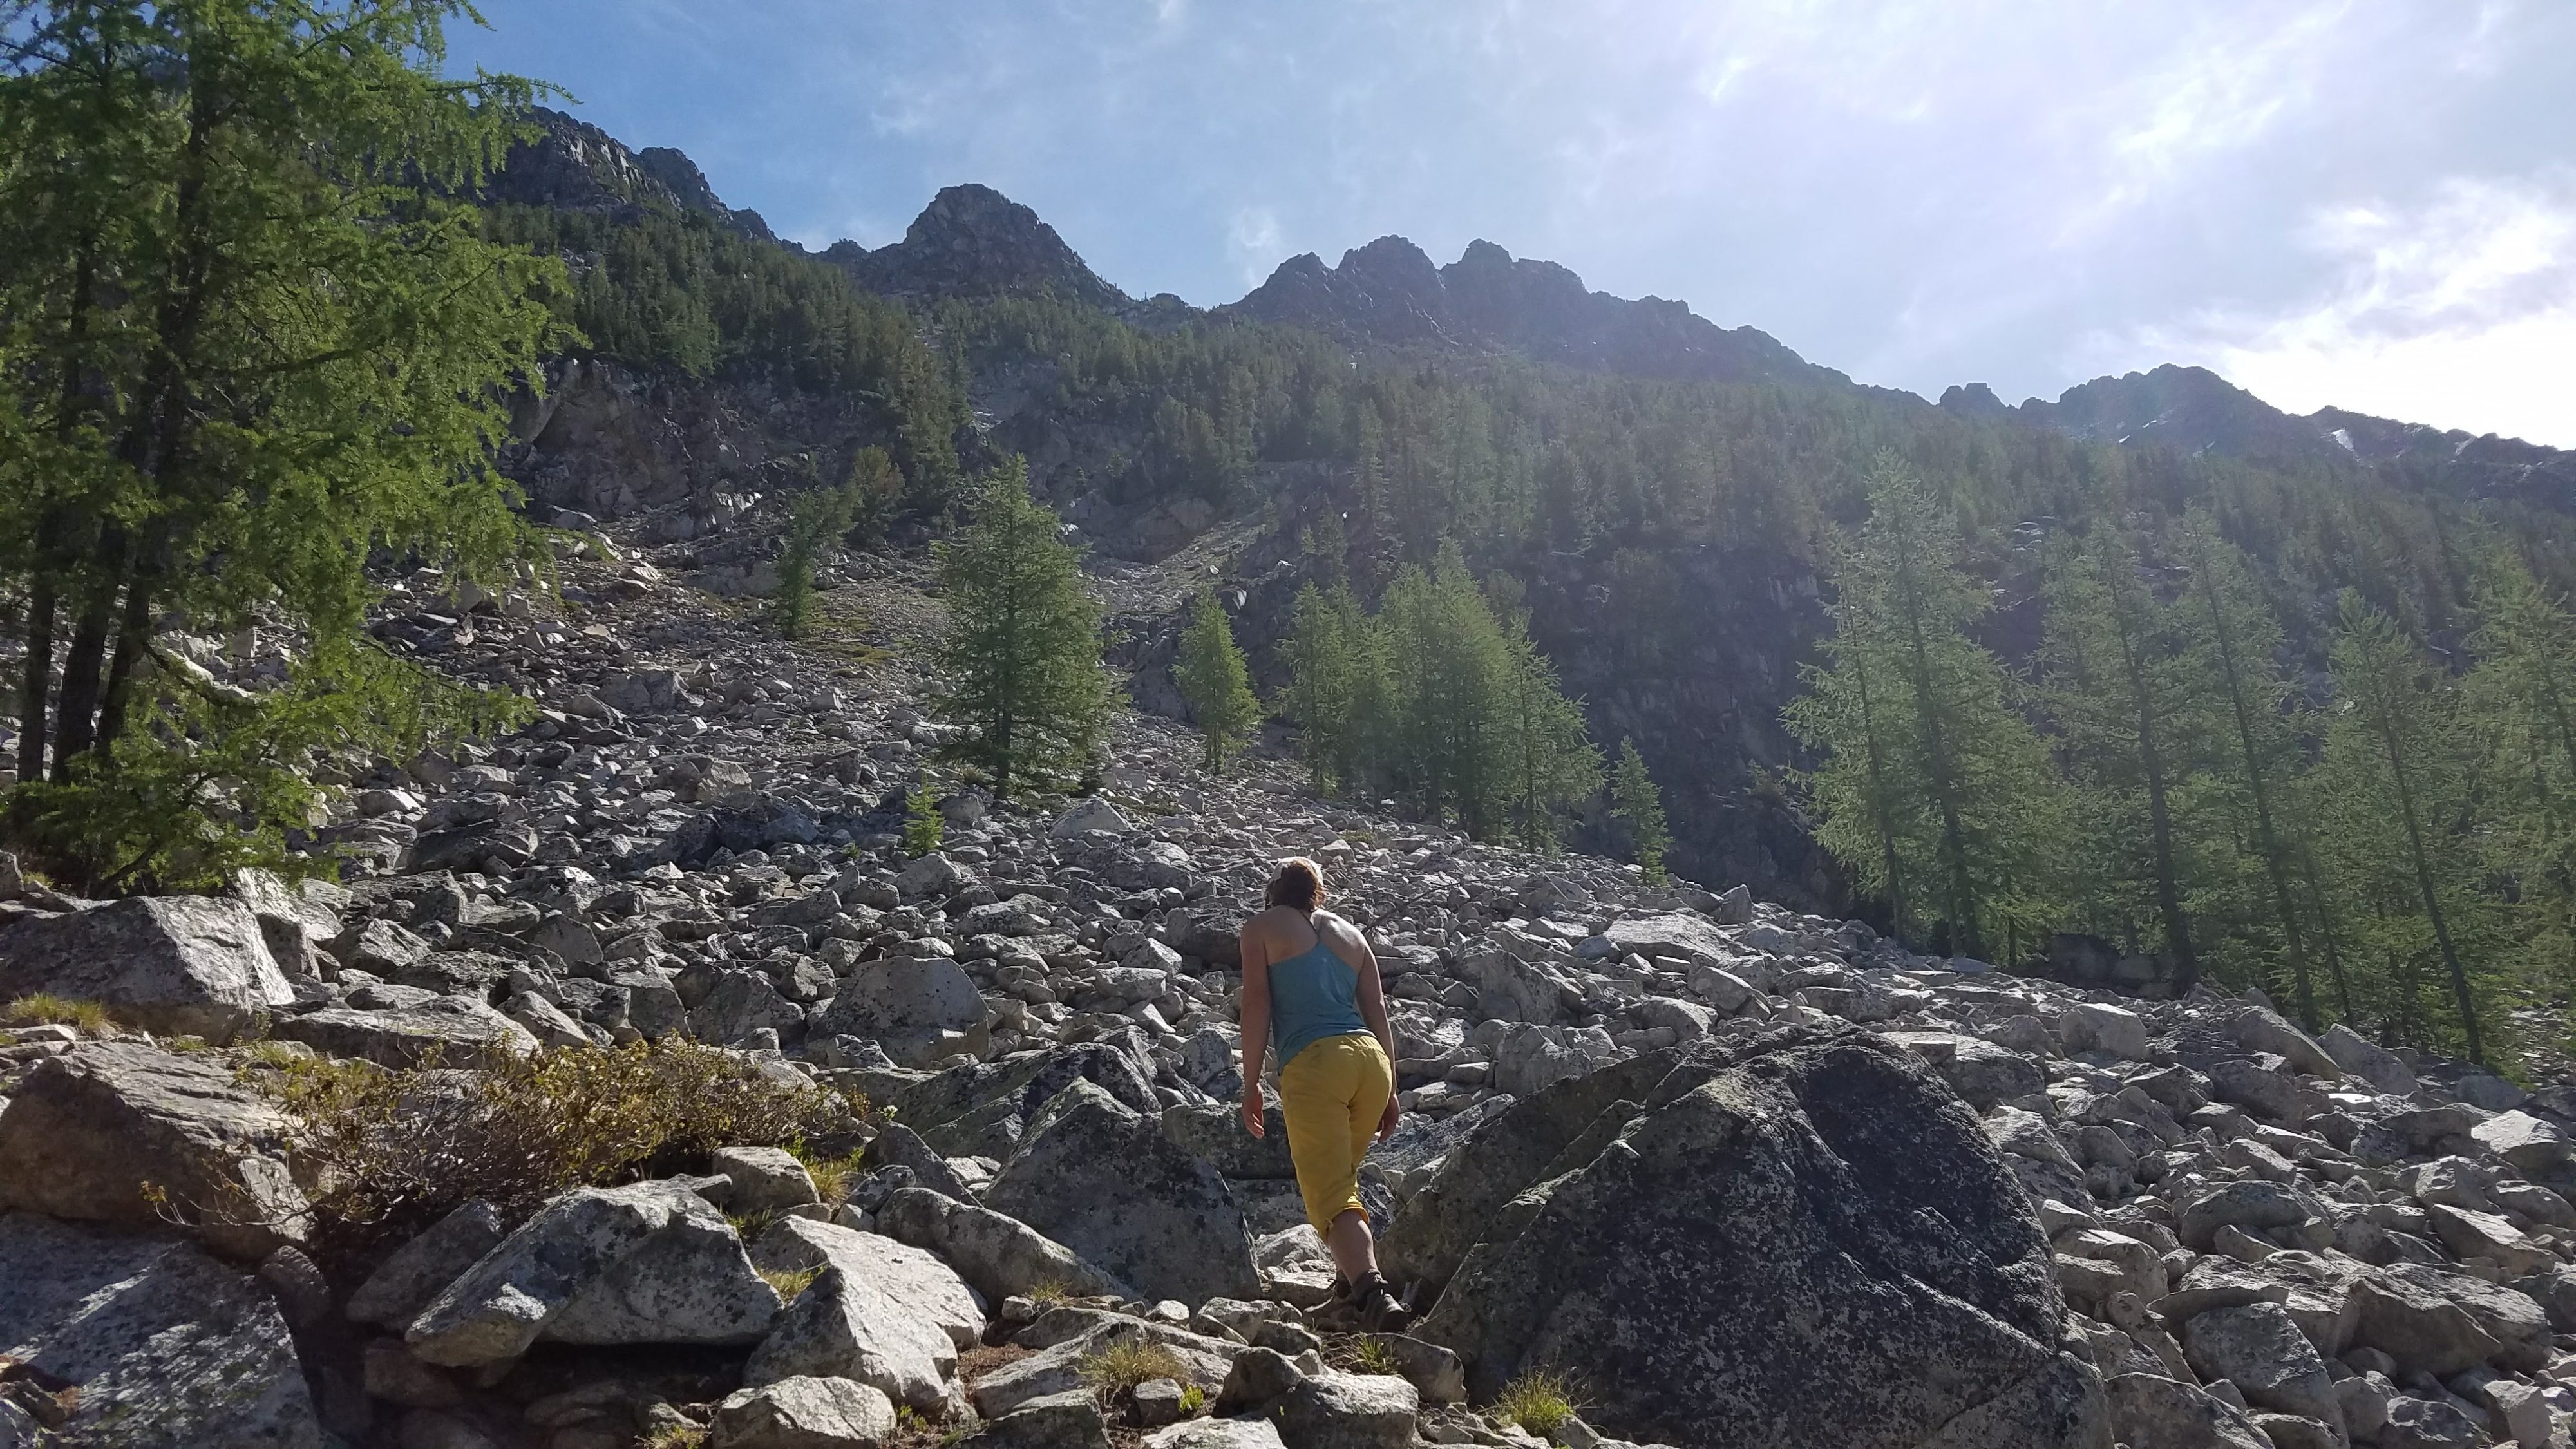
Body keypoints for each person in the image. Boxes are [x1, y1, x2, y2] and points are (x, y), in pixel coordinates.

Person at [1236, 856, 1411, 1330]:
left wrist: (1251, 1084)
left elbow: (1256, 1003)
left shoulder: (1260, 928)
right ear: (1318, 891)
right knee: (1343, 1180)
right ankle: (1346, 1290)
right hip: (1370, 1062)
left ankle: (1374, 1296)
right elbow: (1377, 1009)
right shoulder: (1352, 936)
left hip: (1316, 1065)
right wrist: (1391, 1090)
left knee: (1332, 1195)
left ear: (1274, 891)